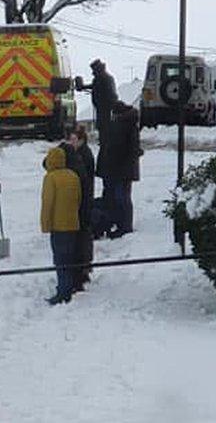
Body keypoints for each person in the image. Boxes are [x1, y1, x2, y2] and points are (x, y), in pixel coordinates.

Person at [41, 147, 82, 305]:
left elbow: (47, 204)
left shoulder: (50, 178)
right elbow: (78, 199)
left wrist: (45, 225)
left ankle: (63, 291)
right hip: (72, 223)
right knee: (69, 258)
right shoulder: (73, 175)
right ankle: (69, 286)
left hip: (58, 226)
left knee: (60, 259)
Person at [100, 101, 142, 239]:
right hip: (122, 169)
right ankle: (122, 225)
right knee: (121, 197)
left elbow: (125, 148)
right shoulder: (128, 124)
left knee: (121, 198)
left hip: (122, 169)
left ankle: (124, 226)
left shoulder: (125, 125)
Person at [69, 125, 96, 289]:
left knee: (83, 234)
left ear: (81, 140)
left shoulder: (82, 155)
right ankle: (84, 267)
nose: (70, 142)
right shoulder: (81, 153)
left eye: (73, 140)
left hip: (83, 199)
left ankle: (84, 268)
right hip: (84, 198)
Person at [78, 60, 117, 144]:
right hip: (103, 106)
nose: (93, 72)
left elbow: (99, 89)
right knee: (103, 124)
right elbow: (94, 87)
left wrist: (83, 87)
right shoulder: (103, 77)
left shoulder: (102, 78)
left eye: (94, 70)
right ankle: (104, 139)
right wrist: (84, 87)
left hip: (104, 107)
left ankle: (105, 140)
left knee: (103, 124)